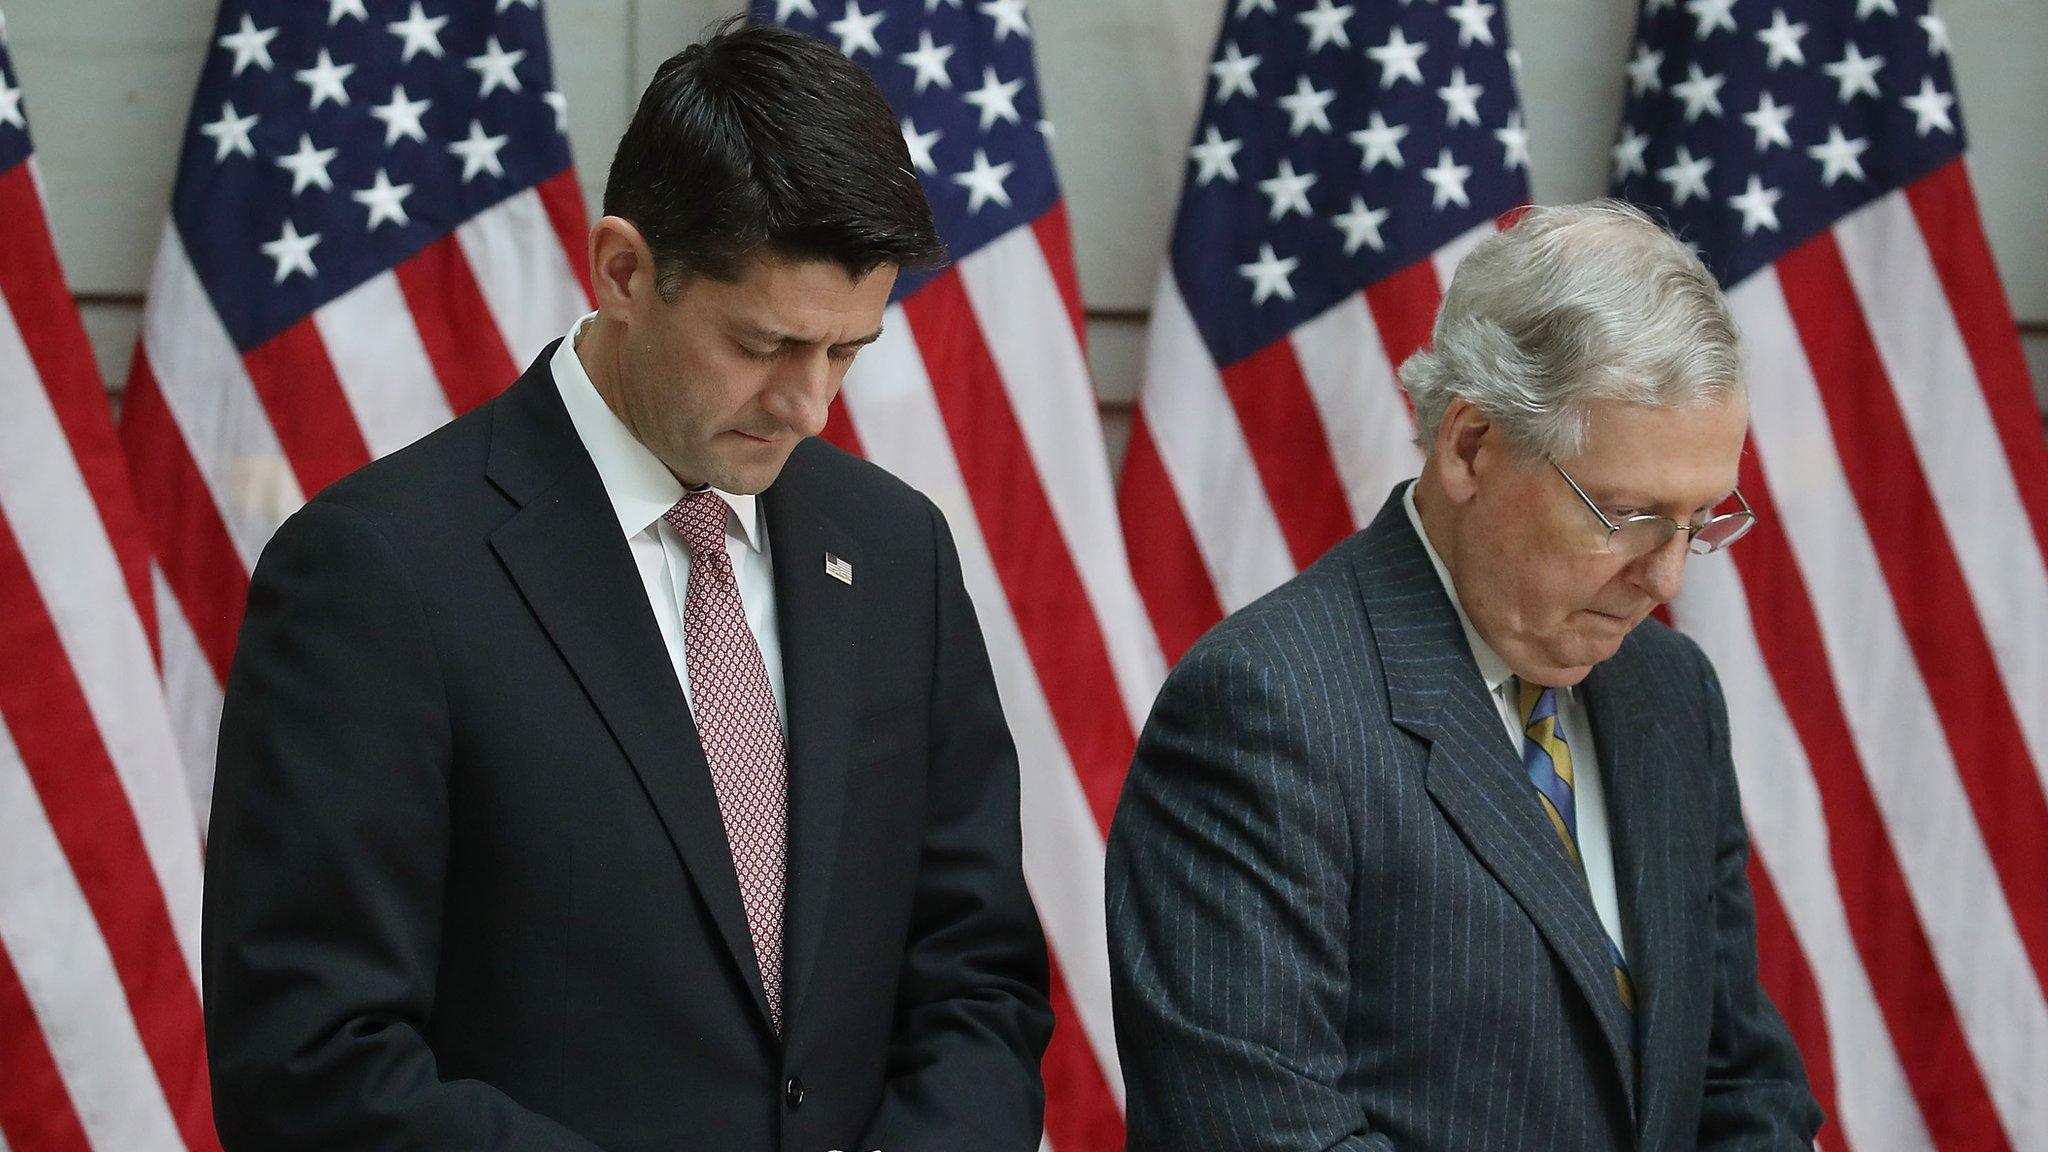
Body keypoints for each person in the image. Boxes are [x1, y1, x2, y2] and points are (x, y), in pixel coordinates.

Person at [203, 21, 1052, 1152]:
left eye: (847, 352)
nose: (809, 405)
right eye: (762, 344)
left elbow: (977, 977)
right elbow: (309, 1059)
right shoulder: (378, 570)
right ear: (621, 269)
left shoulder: (895, 550)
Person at [1106, 202, 1822, 1151]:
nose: (1666, 577)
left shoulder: (1670, 691)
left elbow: (1737, 1078)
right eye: (1624, 515)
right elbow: (1262, 1132)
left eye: (1699, 521)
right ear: (1471, 447)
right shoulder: (1268, 708)